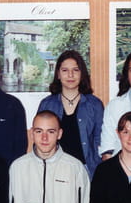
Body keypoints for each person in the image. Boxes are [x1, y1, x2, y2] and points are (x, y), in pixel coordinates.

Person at [38, 50, 104, 178]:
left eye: (75, 70)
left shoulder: (94, 104)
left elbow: (99, 140)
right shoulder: (47, 104)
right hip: (54, 170)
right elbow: (39, 140)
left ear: (82, 74)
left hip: (86, 171)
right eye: (65, 70)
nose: (70, 75)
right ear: (58, 74)